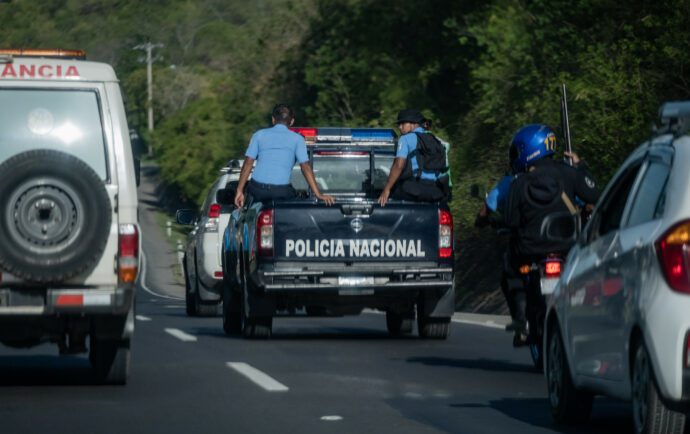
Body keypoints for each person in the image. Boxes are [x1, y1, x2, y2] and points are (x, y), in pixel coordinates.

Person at [503, 124, 599, 336]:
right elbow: (594, 195)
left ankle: (521, 320)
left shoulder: (518, 184)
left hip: (530, 251)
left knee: (509, 264)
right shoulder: (570, 173)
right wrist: (580, 167)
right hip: (569, 248)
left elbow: (511, 221)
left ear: (527, 150)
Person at [234, 104, 334, 208]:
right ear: (292, 122)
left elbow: (248, 163)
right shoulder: (298, 139)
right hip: (280, 191)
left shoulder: (258, 135)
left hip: (257, 190)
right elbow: (305, 167)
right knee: (294, 203)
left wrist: (239, 190)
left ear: (273, 120)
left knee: (248, 207)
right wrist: (318, 194)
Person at [378, 109, 449, 206]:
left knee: (391, 192)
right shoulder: (435, 139)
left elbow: (399, 165)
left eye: (402, 123)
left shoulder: (405, 138)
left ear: (413, 123)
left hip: (414, 191)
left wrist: (386, 189)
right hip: (435, 193)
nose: (400, 127)